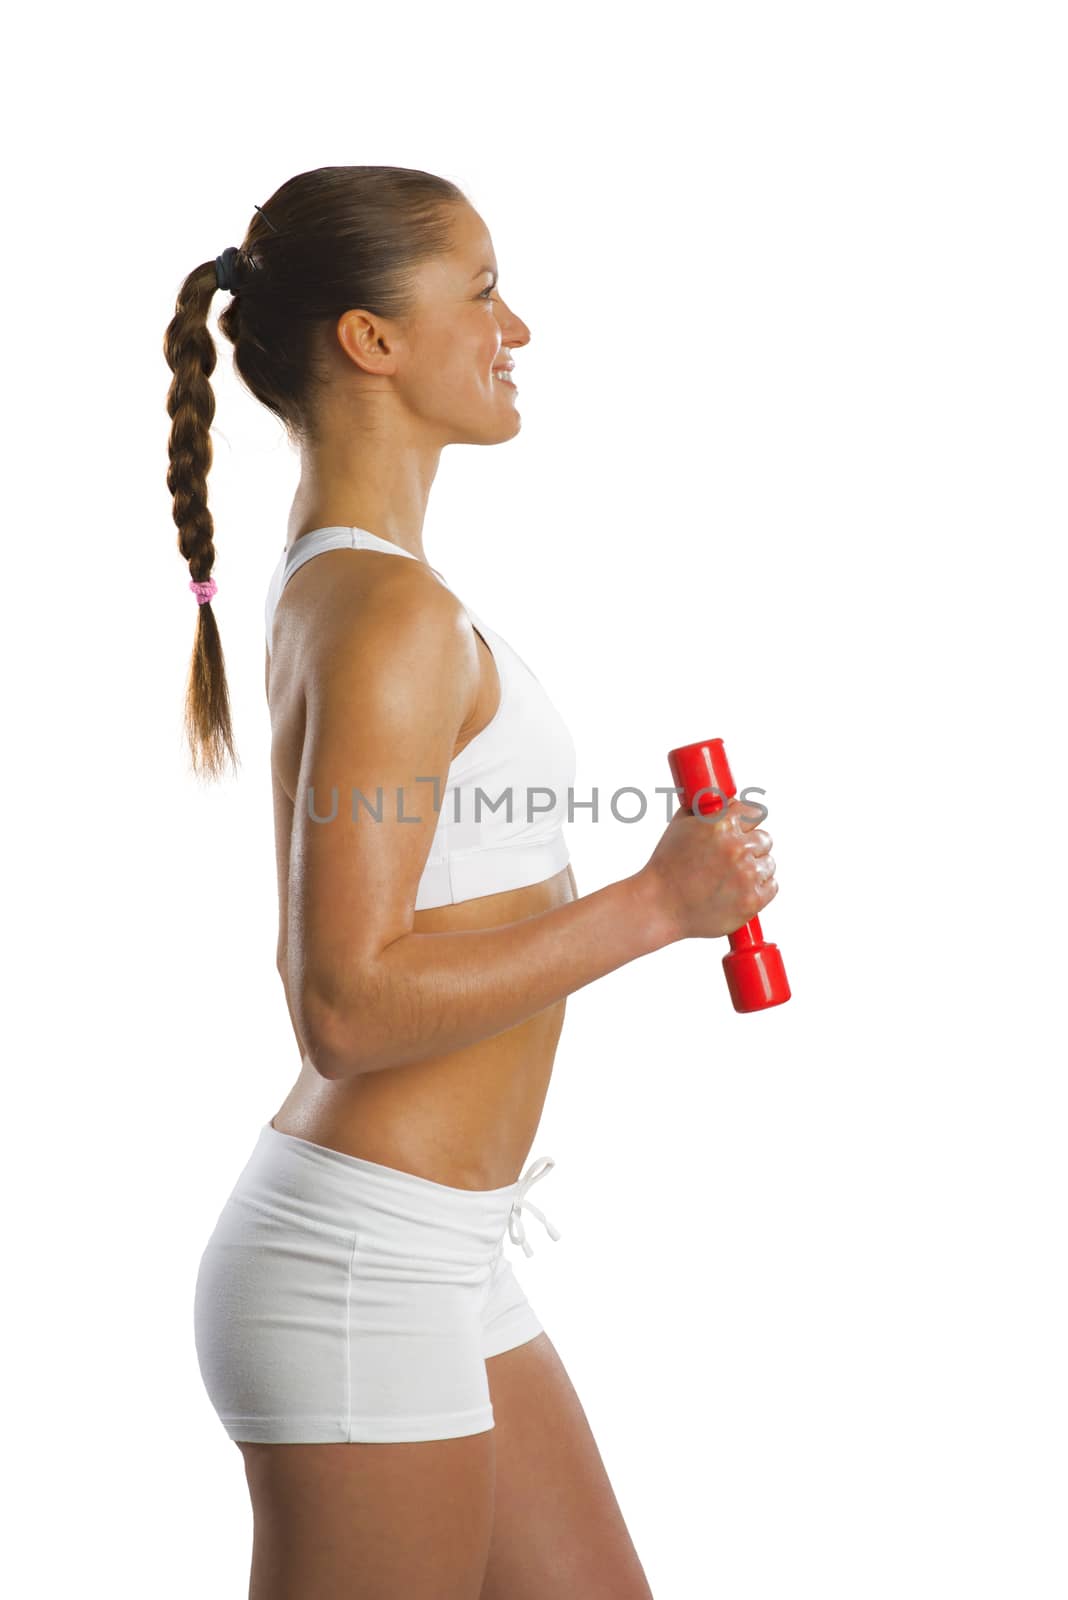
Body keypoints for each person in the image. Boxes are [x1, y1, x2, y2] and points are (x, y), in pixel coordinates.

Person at [163, 165, 778, 1600]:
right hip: (359, 1272)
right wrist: (656, 906)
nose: (521, 327)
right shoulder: (389, 610)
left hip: (436, 1256)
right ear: (372, 341)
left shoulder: (364, 583)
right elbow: (345, 1005)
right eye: (485, 289)